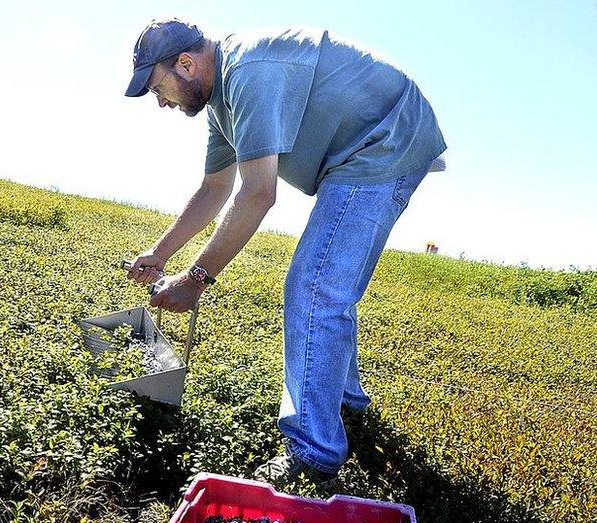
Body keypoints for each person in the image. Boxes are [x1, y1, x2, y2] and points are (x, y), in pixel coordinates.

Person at [123, 18, 447, 485]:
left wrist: (196, 279)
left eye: (159, 88)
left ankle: (313, 450)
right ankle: (344, 398)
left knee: (316, 285)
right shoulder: (221, 104)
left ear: (186, 64)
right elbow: (216, 188)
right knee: (327, 282)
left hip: (385, 138)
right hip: (363, 147)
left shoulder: (249, 73)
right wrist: (160, 254)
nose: (160, 102)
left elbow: (258, 194)